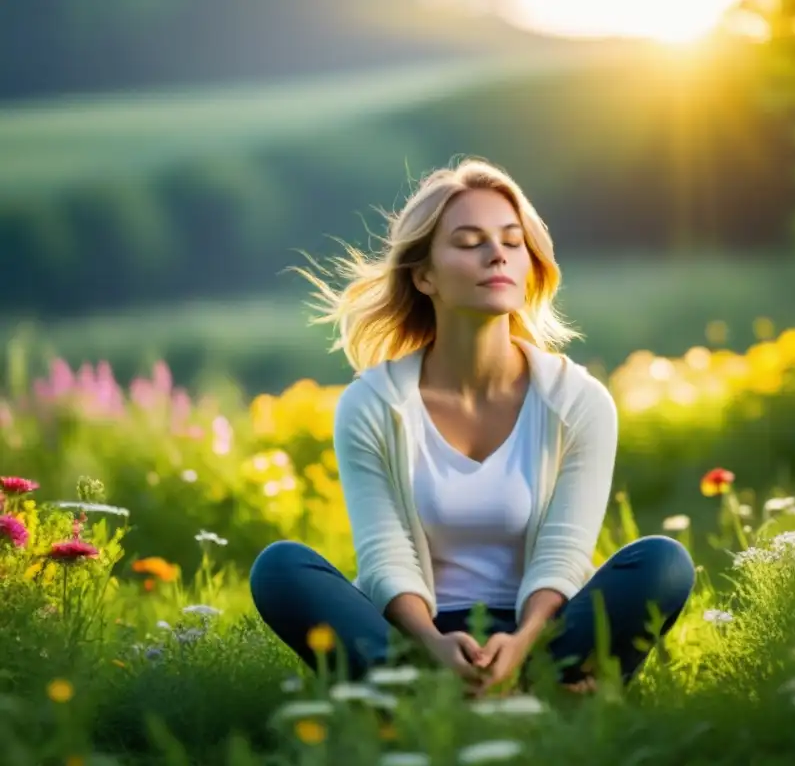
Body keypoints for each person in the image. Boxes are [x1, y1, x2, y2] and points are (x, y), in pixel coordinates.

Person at [249, 157, 696, 695]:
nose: (497, 255)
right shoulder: (371, 403)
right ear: (424, 275)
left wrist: (524, 639)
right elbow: (385, 555)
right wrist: (434, 644)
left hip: (544, 630)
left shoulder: (579, 401)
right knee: (280, 569)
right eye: (469, 242)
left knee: (663, 563)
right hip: (416, 635)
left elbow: (563, 554)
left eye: (512, 240)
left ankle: (472, 691)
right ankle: (510, 691)